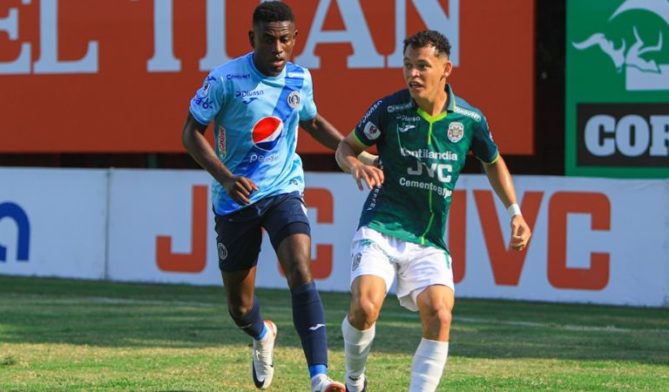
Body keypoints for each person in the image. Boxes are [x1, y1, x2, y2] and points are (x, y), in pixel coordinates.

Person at [182, 2, 373, 391]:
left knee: (300, 266)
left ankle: (319, 377)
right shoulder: (224, 80)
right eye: (268, 40)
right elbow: (190, 134)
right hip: (234, 199)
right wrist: (226, 176)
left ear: (295, 39)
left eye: (285, 39)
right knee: (239, 307)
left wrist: (357, 154)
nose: (278, 48)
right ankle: (262, 333)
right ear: (252, 39)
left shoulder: (300, 79)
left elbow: (313, 122)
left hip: (283, 189)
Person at [335, 30, 532, 392]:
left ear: (446, 70)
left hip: (428, 238)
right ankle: (354, 380)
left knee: (440, 314)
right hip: (381, 225)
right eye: (407, 65)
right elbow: (345, 147)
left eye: (422, 66)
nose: (412, 74)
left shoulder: (469, 119)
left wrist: (515, 212)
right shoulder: (390, 109)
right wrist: (355, 165)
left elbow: (493, 161)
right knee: (365, 306)